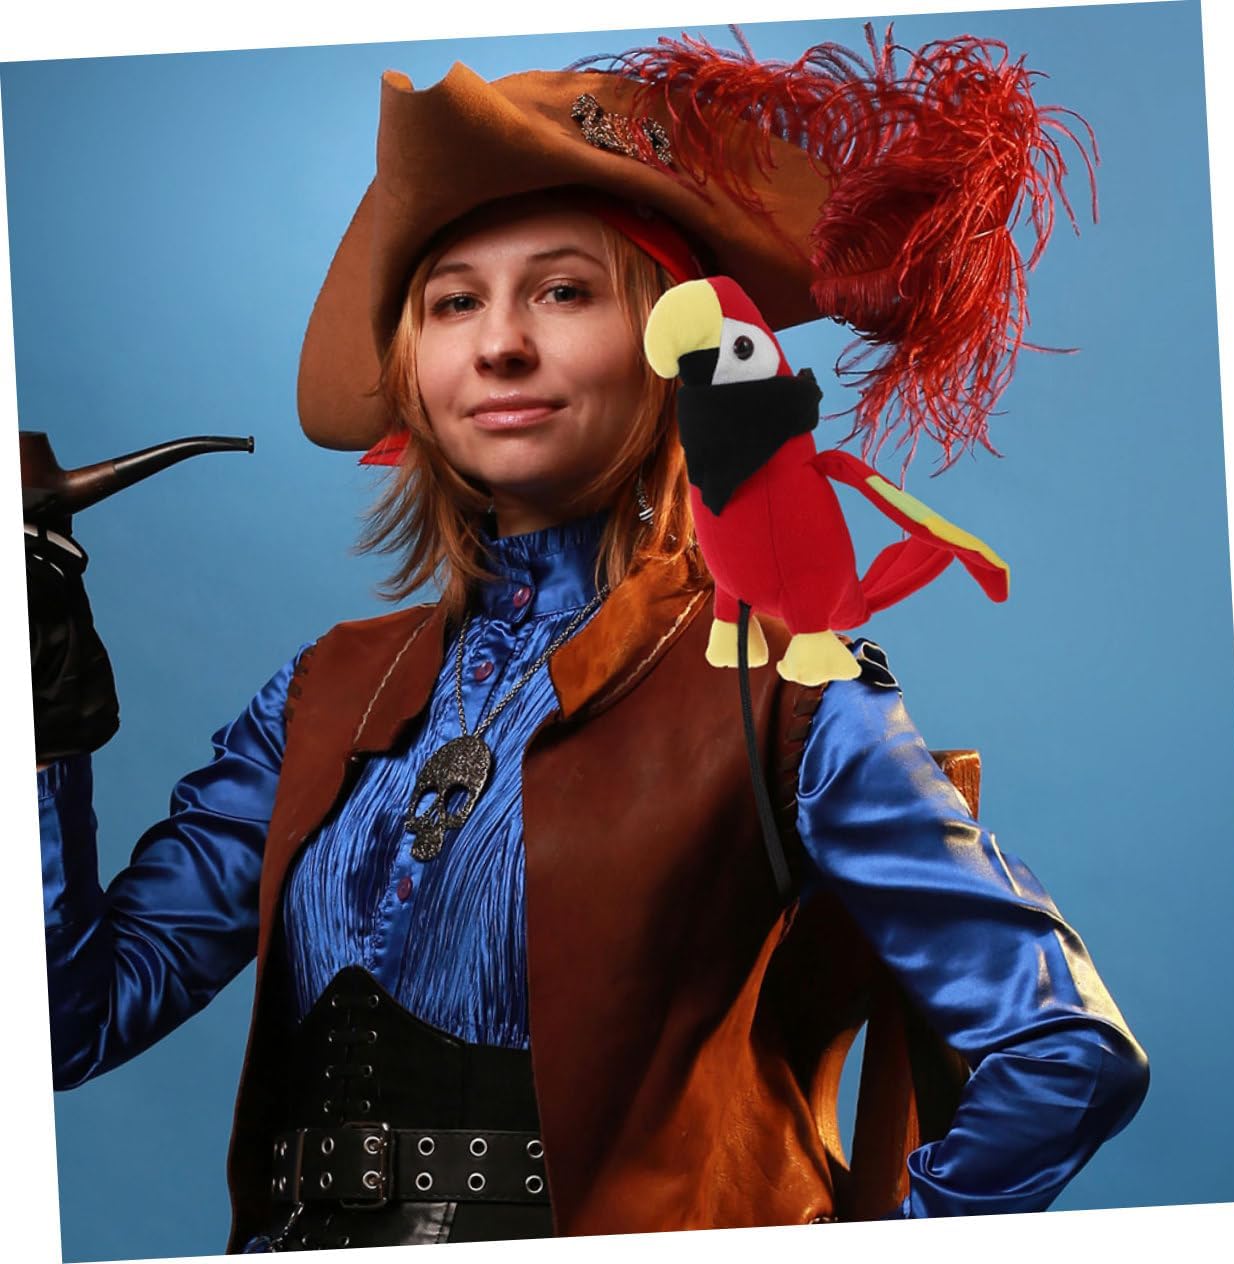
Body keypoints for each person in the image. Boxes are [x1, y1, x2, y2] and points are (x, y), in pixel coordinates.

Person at [32, 26, 1148, 1254]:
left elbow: (1066, 1052)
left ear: (672, 346)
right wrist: (38, 724)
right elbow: (65, 1026)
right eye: (455, 301)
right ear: (414, 367)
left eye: (563, 291)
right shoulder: (324, 690)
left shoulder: (782, 693)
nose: (499, 342)